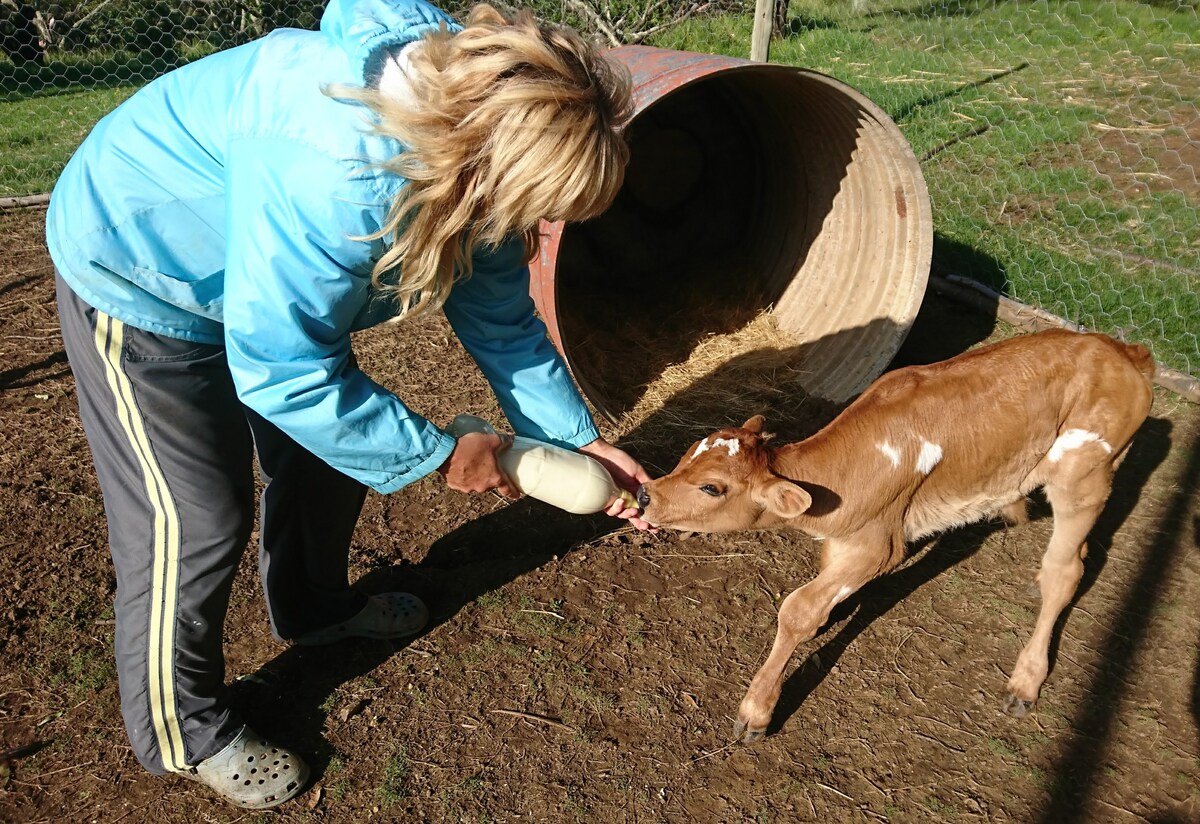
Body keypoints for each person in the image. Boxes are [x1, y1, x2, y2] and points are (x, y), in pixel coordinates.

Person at [46, 0, 650, 810]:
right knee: (193, 518)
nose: (532, 223)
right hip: (142, 263)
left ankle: (314, 606)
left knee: (329, 457)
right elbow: (282, 368)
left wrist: (573, 441)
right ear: (476, 166)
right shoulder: (340, 176)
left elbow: (503, 314)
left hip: (259, 268)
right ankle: (180, 730)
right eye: (530, 206)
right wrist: (439, 456)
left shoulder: (480, 142)